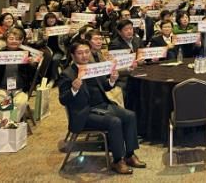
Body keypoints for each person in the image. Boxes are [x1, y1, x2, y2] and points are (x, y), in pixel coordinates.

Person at [59, 41, 146, 175]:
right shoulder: (68, 74)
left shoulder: (93, 68)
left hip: (103, 106)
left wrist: (112, 80)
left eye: (87, 52)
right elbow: (63, 99)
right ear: (72, 55)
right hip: (84, 113)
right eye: (80, 53)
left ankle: (130, 155)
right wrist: (73, 89)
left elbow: (104, 86)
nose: (84, 56)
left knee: (130, 115)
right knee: (114, 122)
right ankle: (117, 160)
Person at [0, 27, 39, 121]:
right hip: (1, 88)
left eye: (17, 39)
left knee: (20, 102)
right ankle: (3, 123)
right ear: (6, 39)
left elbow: (34, 76)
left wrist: (32, 64)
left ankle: (12, 123)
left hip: (20, 89)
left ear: (22, 41)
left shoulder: (26, 54)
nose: (14, 41)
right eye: (11, 38)